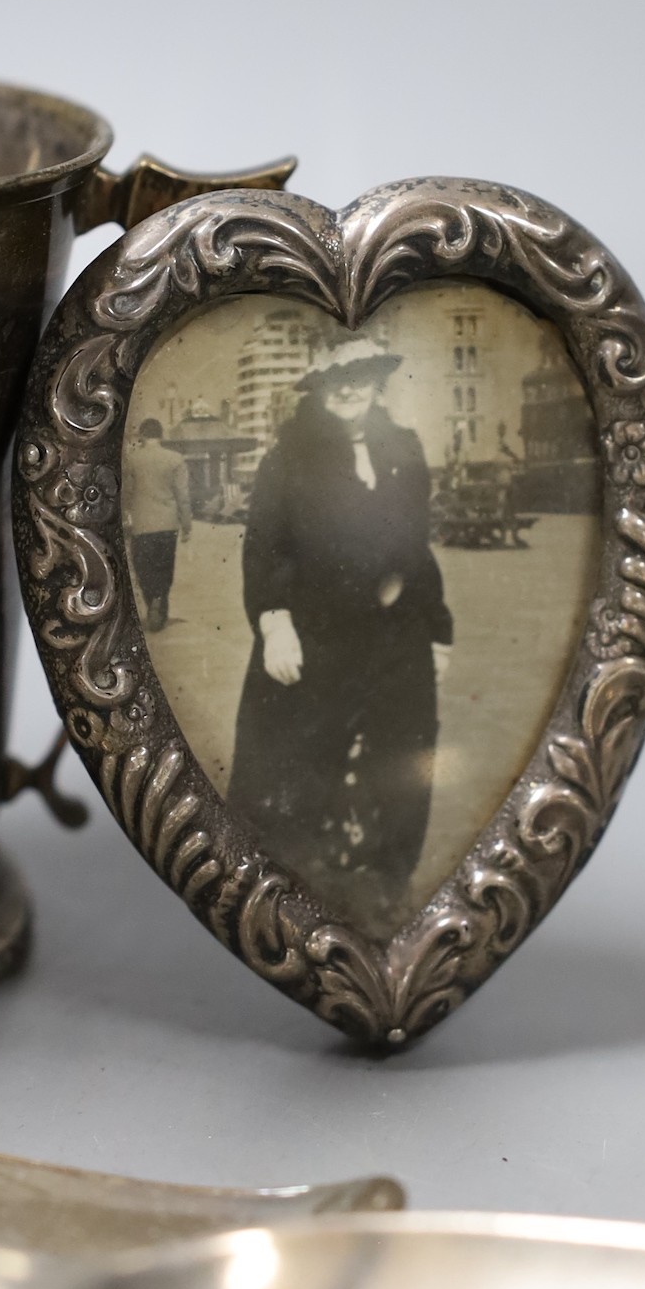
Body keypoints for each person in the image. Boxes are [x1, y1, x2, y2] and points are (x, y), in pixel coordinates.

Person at [227, 337, 453, 937]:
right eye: (336, 379)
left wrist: (436, 631)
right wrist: (274, 625)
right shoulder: (288, 460)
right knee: (297, 765)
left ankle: (386, 883)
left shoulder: (403, 449)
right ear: (320, 390)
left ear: (380, 381)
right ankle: (291, 902)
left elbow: (417, 548)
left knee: (403, 755)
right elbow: (265, 549)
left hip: (396, 633)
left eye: (363, 375)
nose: (350, 387)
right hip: (314, 633)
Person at [122, 418, 191, 631]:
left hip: (142, 524)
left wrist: (126, 516)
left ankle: (153, 600)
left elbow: (126, 492)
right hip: (168, 524)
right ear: (161, 436)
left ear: (142, 435)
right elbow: (183, 495)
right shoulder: (175, 459)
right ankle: (160, 602)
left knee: (143, 567)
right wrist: (187, 524)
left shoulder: (132, 460)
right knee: (164, 567)